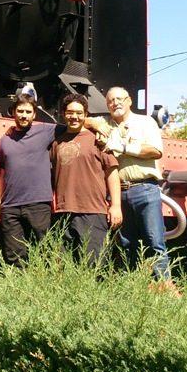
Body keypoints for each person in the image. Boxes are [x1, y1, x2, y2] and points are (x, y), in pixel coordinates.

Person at [93, 87, 169, 282]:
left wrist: (124, 147)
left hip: (145, 189)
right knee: (127, 243)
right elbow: (83, 120)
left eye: (119, 99)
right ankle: (134, 286)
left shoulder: (145, 122)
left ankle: (163, 286)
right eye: (110, 101)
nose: (115, 103)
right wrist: (93, 123)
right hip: (120, 192)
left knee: (155, 242)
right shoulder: (106, 124)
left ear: (129, 101)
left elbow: (155, 151)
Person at [0, 91, 66, 265]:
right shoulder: (4, 141)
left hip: (38, 202)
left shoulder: (45, 131)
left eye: (27, 112)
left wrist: (98, 124)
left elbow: (73, 125)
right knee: (14, 255)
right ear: (13, 112)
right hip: (10, 205)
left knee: (48, 248)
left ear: (34, 114)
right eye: (20, 111)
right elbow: (3, 174)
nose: (24, 116)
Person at [52, 93, 122, 264]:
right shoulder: (56, 142)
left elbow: (112, 174)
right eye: (70, 112)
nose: (74, 117)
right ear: (63, 114)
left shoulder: (98, 140)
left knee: (95, 264)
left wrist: (116, 206)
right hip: (63, 211)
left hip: (93, 210)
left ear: (86, 115)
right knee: (64, 265)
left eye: (79, 113)